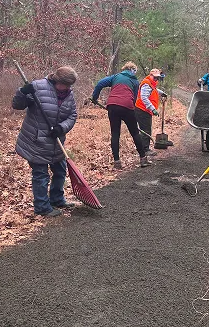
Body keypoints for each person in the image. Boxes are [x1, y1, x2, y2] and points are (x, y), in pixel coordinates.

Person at [12, 66, 79, 217]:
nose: (67, 88)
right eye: (66, 85)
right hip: (36, 141)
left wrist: (61, 128)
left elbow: (72, 115)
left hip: (56, 142)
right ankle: (42, 207)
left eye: (70, 86)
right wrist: (22, 92)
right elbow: (17, 105)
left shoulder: (68, 94)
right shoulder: (37, 87)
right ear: (57, 80)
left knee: (60, 171)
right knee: (41, 175)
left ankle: (56, 199)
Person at [91, 62, 151, 169]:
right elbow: (135, 97)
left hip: (112, 106)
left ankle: (117, 162)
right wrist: (130, 110)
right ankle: (143, 159)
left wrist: (95, 98)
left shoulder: (116, 77)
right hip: (127, 106)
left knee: (115, 133)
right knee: (135, 133)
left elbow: (100, 83)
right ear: (133, 70)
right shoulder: (135, 81)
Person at [135, 68, 167, 155]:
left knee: (146, 129)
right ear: (151, 75)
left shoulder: (151, 84)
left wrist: (162, 93)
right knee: (145, 130)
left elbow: (154, 90)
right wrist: (153, 108)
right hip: (142, 110)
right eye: (155, 77)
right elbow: (144, 97)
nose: (156, 79)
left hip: (145, 110)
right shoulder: (146, 84)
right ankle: (145, 150)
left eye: (157, 78)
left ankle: (143, 148)